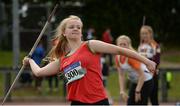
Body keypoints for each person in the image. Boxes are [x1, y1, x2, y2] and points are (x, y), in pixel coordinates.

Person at [23, 15, 156, 105]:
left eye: (78, 27)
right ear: (64, 32)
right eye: (71, 27)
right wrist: (30, 61)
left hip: (98, 101)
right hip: (77, 103)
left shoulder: (90, 45)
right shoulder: (63, 59)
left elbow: (120, 50)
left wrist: (147, 61)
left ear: (81, 32)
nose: (75, 28)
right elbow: (39, 72)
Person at [115, 35, 153, 105]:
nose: (122, 46)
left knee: (140, 103)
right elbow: (121, 74)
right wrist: (122, 90)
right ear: (117, 45)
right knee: (130, 103)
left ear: (129, 45)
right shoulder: (117, 57)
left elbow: (142, 75)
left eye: (124, 44)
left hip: (146, 81)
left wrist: (137, 91)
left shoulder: (131, 57)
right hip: (135, 82)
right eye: (120, 44)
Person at [138, 25, 161, 105]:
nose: (144, 35)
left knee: (153, 98)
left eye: (146, 33)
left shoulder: (155, 45)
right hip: (142, 75)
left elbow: (157, 61)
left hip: (152, 74)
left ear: (150, 34)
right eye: (142, 33)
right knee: (143, 99)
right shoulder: (140, 45)